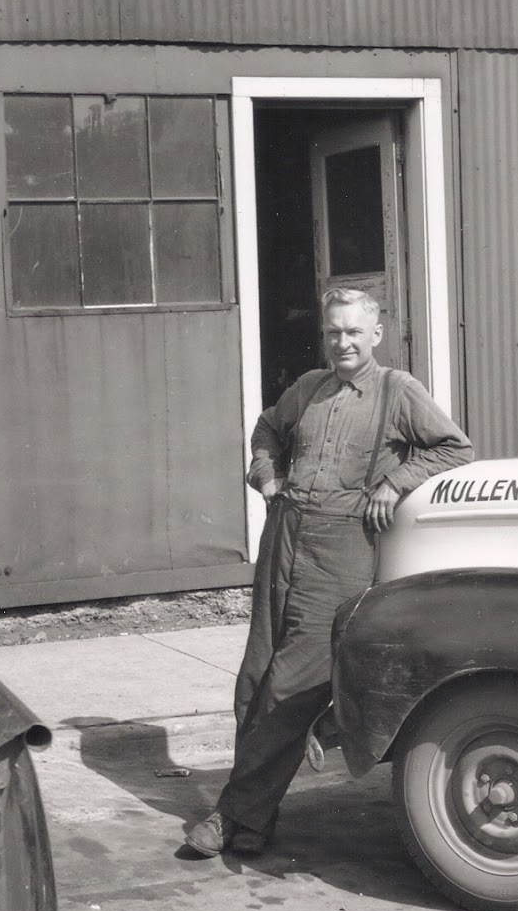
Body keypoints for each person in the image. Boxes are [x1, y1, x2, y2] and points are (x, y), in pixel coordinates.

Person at [185, 286, 474, 858]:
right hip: (284, 534)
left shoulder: (399, 392)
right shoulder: (308, 388)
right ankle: (252, 821)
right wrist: (267, 479)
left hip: (343, 544)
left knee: (293, 685)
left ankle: (231, 815)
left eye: (352, 332)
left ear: (375, 335)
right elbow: (267, 429)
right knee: (255, 680)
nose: (342, 342)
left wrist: (395, 483)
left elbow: (454, 448)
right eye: (333, 332)